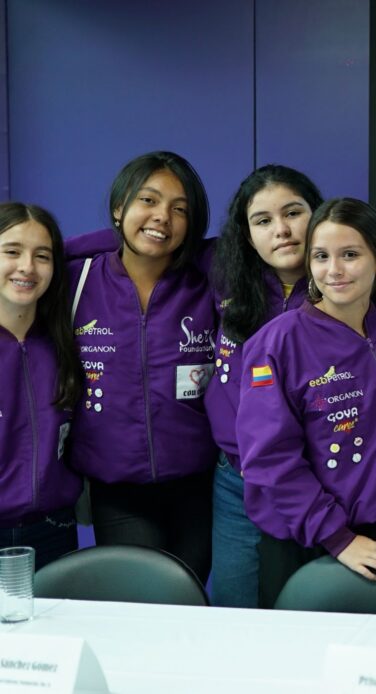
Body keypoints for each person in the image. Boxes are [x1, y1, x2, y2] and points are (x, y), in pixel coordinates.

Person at [236, 198, 376, 608]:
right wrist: (337, 537)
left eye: (350, 255)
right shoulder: (277, 343)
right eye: (321, 256)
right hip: (306, 540)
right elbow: (268, 457)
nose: (333, 270)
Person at [68, 151, 215, 582]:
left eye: (180, 209)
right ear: (119, 207)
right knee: (145, 595)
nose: (162, 217)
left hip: (199, 485)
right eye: (147, 200)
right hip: (117, 486)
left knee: (188, 597)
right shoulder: (76, 280)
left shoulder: (208, 283)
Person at [207, 165, 323, 608]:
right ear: (247, 234)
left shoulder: (343, 285)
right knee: (237, 609)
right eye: (263, 220)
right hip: (236, 481)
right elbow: (144, 248)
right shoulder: (226, 275)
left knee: (313, 611)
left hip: (316, 481)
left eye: (293, 213)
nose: (282, 230)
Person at [0, 203, 83, 569]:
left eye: (43, 256)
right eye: (12, 251)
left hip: (53, 528)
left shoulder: (64, 342)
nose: (27, 267)